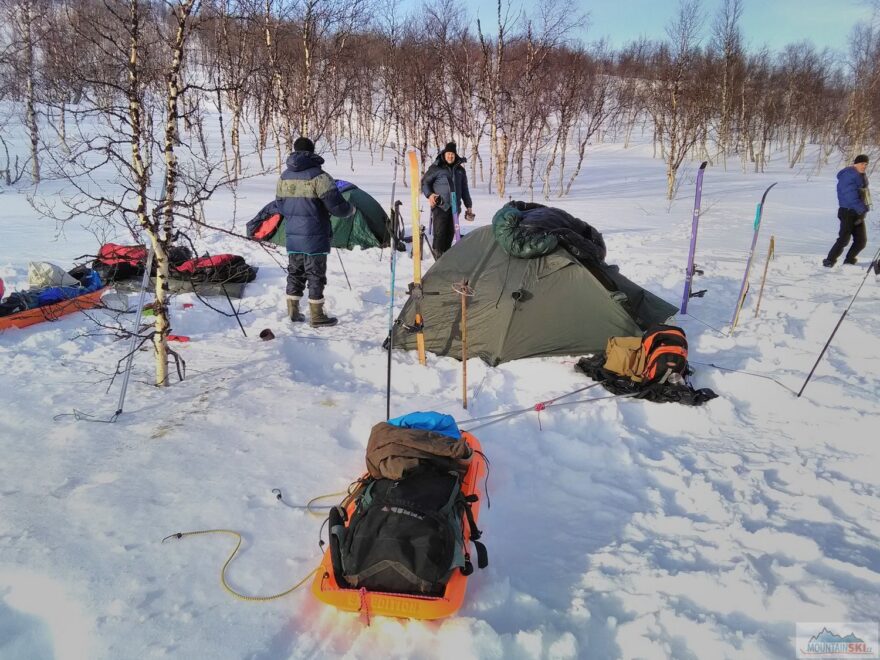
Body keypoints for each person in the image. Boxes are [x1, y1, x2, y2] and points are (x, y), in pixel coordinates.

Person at [277, 137, 355, 327]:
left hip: (293, 235)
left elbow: (280, 205)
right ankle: (317, 316)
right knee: (315, 274)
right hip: (316, 235)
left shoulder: (284, 176)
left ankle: (293, 312)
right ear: (312, 152)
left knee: (295, 272)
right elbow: (337, 207)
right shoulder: (320, 177)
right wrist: (350, 209)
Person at [421, 142, 474, 257]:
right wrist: (430, 195)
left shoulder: (460, 170)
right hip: (441, 205)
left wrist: (468, 205)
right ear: (444, 154)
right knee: (440, 234)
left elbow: (464, 189)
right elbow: (424, 183)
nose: (450, 156)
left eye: (452, 154)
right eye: (448, 154)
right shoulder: (436, 168)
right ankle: (437, 257)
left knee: (450, 234)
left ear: (455, 155)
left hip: (455, 207)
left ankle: (445, 258)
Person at [824, 154, 871, 267]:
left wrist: (865, 207)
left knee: (861, 241)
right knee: (844, 239)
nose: (864, 166)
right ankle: (829, 261)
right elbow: (850, 196)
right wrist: (863, 208)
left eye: (866, 164)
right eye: (862, 164)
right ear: (855, 164)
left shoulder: (860, 175)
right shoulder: (849, 175)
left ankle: (849, 261)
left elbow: (863, 193)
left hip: (857, 212)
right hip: (848, 212)